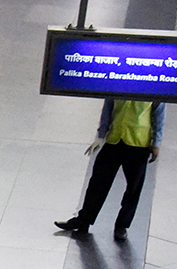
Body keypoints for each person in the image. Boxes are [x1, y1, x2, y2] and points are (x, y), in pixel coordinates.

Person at [56, 99, 165, 241]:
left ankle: (122, 225)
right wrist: (101, 135)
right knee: (98, 182)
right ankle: (84, 219)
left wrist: (156, 143)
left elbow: (158, 115)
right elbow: (107, 109)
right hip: (114, 139)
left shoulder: (153, 89)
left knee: (133, 188)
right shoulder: (117, 86)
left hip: (138, 143)